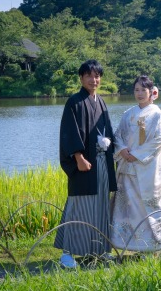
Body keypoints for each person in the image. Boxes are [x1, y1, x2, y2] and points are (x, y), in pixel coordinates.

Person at [54, 59, 117, 268]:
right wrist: (78, 157)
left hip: (101, 164)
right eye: (89, 75)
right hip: (83, 164)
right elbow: (69, 133)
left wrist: (109, 143)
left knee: (100, 207)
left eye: (97, 75)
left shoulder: (101, 102)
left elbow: (108, 130)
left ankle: (99, 250)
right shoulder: (75, 102)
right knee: (79, 207)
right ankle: (67, 254)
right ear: (81, 78)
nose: (94, 80)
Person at [111, 76, 161, 251]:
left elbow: (158, 140)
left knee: (145, 204)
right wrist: (122, 150)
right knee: (130, 206)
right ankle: (128, 243)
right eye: (136, 90)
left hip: (145, 167)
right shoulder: (128, 114)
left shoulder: (156, 113)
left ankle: (150, 244)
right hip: (128, 166)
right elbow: (117, 136)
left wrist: (137, 154)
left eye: (143, 90)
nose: (140, 93)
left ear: (151, 93)